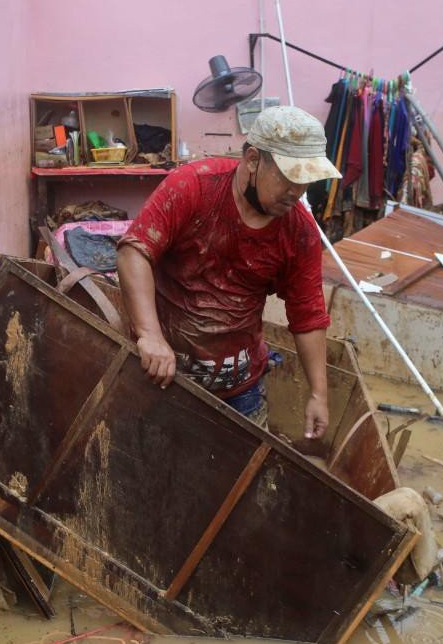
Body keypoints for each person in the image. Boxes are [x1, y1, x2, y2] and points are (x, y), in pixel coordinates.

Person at [116, 106, 341, 437]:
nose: (296, 192)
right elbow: (134, 251)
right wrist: (150, 335)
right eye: (288, 177)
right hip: (159, 375)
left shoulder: (300, 232)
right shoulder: (194, 186)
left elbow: (308, 315)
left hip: (240, 392)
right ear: (252, 160)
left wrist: (319, 395)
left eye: (306, 182)